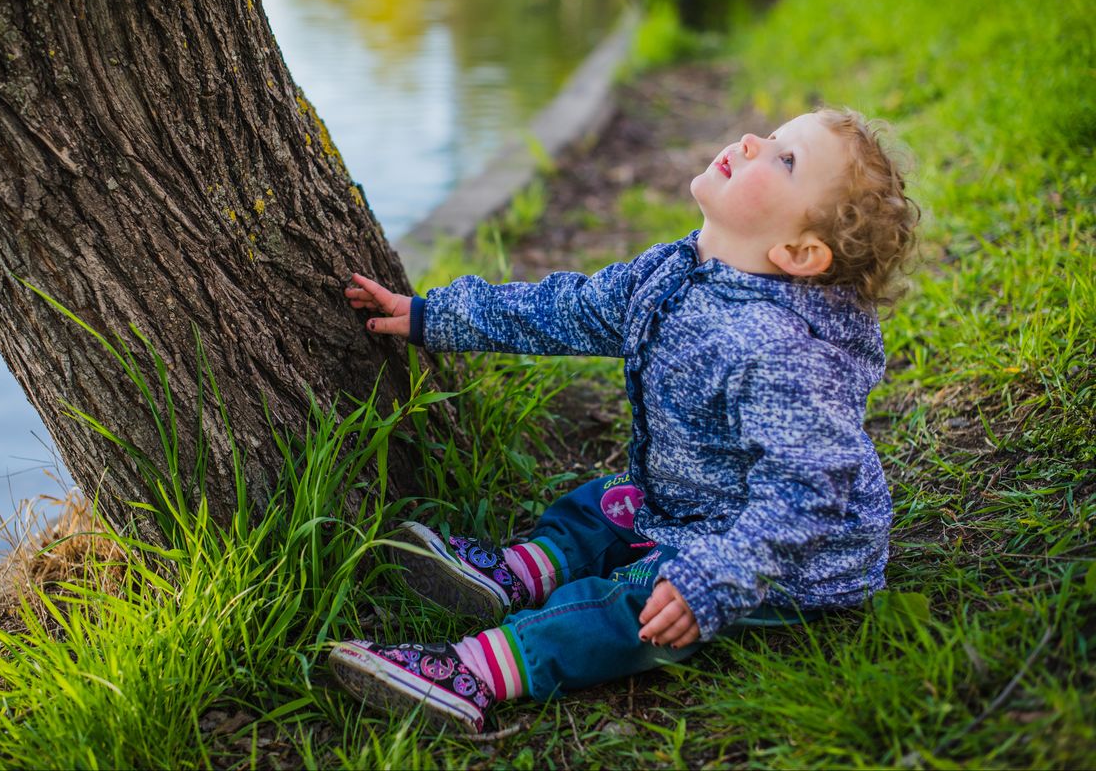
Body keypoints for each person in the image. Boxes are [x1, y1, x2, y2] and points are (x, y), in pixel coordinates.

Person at [330, 108, 919, 733]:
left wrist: (713, 580)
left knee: (633, 603)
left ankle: (476, 670)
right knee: (607, 503)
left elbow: (808, 491)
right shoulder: (675, 272)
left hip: (782, 561)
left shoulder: (779, 350)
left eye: (785, 159)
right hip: (692, 501)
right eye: (772, 137)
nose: (752, 141)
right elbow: (568, 310)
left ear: (799, 251)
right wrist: (434, 316)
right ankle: (523, 570)